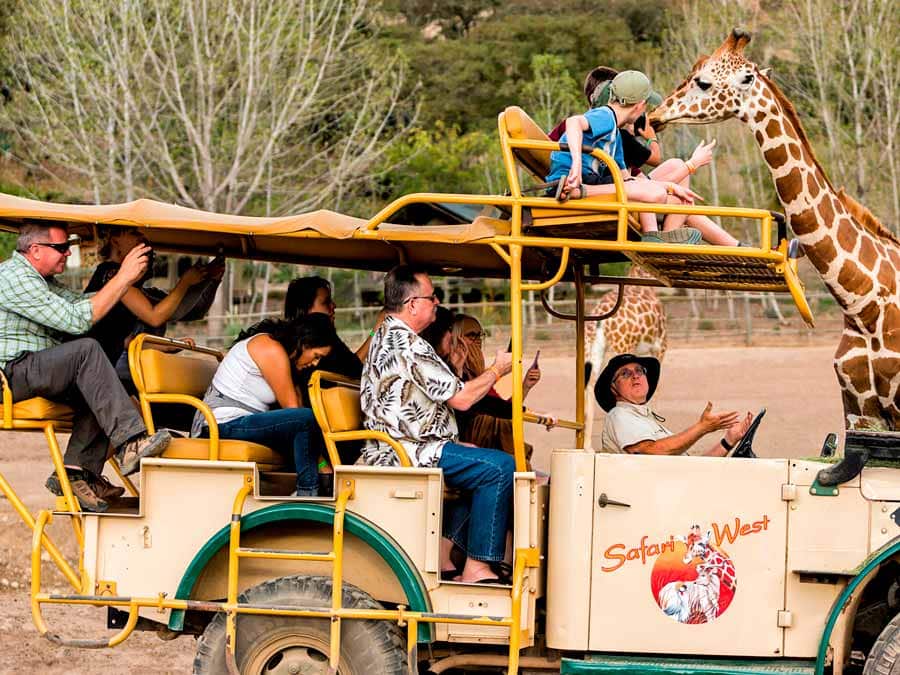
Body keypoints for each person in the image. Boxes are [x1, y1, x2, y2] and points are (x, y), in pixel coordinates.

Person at [0, 223, 172, 512]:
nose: (68, 252)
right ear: (35, 250)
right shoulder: (15, 278)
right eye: (61, 247)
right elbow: (75, 320)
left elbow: (84, 303)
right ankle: (131, 442)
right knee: (87, 351)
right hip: (11, 372)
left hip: (37, 367)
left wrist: (124, 281)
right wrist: (123, 277)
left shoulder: (44, 281)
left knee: (105, 377)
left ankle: (76, 471)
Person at [361, 265, 515, 584]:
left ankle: (449, 559)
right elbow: (461, 399)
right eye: (433, 297)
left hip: (412, 444)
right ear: (413, 304)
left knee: (481, 463)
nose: (437, 303)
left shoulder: (389, 336)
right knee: (500, 468)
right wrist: (498, 370)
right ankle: (476, 568)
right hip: (406, 451)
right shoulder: (408, 344)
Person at [550, 67, 740, 247]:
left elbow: (627, 179)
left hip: (588, 181)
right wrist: (575, 164)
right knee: (653, 194)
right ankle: (653, 237)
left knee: (653, 191)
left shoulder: (615, 135)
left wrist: (669, 186)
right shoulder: (606, 116)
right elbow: (574, 122)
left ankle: (653, 238)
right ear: (640, 106)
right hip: (569, 182)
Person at [190, 314, 336, 496]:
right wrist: (323, 463)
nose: (315, 363)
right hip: (222, 424)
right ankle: (308, 493)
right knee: (305, 419)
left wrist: (323, 463)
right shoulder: (271, 349)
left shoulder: (287, 360)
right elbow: (295, 413)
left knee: (304, 422)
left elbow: (296, 412)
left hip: (241, 422)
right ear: (303, 343)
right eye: (316, 356)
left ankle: (312, 488)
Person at [85, 226, 223, 388]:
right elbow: (154, 317)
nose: (142, 237)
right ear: (114, 240)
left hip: (105, 369)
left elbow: (128, 341)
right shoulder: (112, 276)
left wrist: (169, 345)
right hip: (98, 371)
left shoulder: (133, 288)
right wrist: (185, 282)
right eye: (134, 233)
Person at [597, 353, 751, 456]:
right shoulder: (619, 415)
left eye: (639, 371)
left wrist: (729, 440)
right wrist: (702, 428)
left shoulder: (645, 419)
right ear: (613, 388)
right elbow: (649, 451)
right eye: (625, 373)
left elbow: (692, 471)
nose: (635, 376)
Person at [284, 276, 383, 399]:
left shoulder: (324, 336)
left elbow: (352, 365)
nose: (333, 305)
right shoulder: (301, 345)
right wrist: (376, 330)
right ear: (305, 309)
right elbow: (355, 369)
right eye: (326, 302)